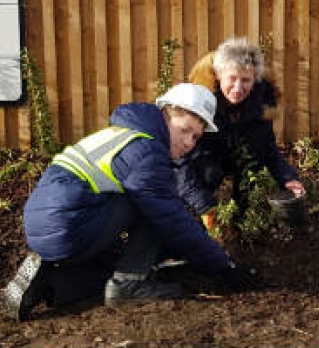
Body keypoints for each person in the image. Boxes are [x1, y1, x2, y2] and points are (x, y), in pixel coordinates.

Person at [1, 83, 252, 321]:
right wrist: (222, 265)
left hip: (46, 225)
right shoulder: (147, 151)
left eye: (196, 137)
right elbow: (170, 219)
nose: (189, 142)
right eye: (184, 130)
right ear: (164, 116)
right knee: (155, 210)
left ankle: (48, 284)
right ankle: (129, 284)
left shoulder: (124, 133)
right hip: (70, 225)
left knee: (118, 262)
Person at [182, 37, 305, 231]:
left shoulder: (262, 101)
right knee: (206, 176)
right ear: (218, 75)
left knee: (253, 163)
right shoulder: (197, 105)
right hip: (205, 159)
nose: (238, 89)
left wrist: (288, 177)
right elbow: (180, 162)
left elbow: (267, 148)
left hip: (236, 155)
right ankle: (188, 221)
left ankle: (240, 224)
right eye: (232, 78)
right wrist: (203, 205)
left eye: (246, 80)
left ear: (255, 78)